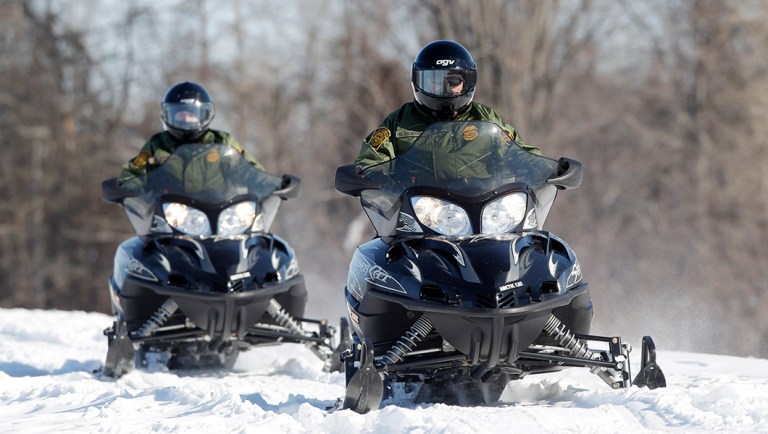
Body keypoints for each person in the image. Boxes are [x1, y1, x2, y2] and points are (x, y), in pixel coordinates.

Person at [355, 40, 541, 168]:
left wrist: (546, 168)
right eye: (434, 80)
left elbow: (518, 151)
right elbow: (372, 158)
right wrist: (364, 174)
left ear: (468, 82)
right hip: (417, 210)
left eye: (453, 81)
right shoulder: (400, 122)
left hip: (484, 208)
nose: (445, 88)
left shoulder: (485, 118)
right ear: (418, 80)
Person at [120, 81, 264, 181]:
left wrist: (271, 184)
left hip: (220, 211)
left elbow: (249, 169)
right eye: (180, 114)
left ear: (205, 114)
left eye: (191, 114)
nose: (186, 119)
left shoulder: (222, 141)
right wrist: (124, 186)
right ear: (167, 115)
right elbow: (134, 171)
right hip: (168, 213)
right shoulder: (157, 145)